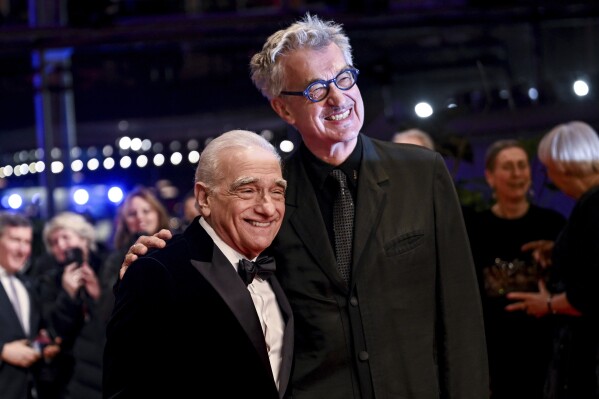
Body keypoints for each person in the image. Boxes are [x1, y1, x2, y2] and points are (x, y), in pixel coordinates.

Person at [124, 13, 488, 399]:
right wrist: (153, 261)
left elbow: (460, 312)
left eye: (344, 78)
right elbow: (212, 261)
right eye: (316, 89)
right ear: (283, 109)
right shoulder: (272, 194)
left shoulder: (423, 173)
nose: (338, 98)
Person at [103, 130, 294, 398]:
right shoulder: (156, 271)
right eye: (248, 190)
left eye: (276, 191)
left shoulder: (286, 265)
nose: (268, 208)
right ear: (204, 198)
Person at [463, 139, 566, 399]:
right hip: (494, 350)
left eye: (522, 165)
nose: (517, 173)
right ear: (490, 176)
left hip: (546, 347)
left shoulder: (553, 224)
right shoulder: (474, 227)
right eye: (508, 167)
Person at [505, 121, 599, 399]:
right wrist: (557, 249)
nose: (548, 176)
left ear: (561, 166)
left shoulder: (593, 205)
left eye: (547, 168)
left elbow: (590, 294)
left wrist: (546, 305)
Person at [34, 211, 110, 399]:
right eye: (53, 242)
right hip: (71, 379)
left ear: (84, 239)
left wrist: (97, 295)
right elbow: (55, 329)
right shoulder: (48, 282)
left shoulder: (108, 268)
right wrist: (68, 295)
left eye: (65, 237)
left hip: (109, 370)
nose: (60, 246)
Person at [0, 211, 61, 399]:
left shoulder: (27, 285)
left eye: (27, 242)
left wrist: (44, 344)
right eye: (15, 240)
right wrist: (2, 351)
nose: (22, 249)